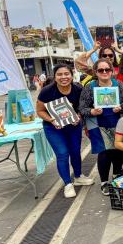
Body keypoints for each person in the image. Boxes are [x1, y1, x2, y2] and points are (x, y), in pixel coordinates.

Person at [36, 64, 92, 198]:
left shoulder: (78, 88)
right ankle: (67, 184)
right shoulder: (47, 91)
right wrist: (52, 120)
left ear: (72, 75)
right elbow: (40, 111)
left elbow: (82, 108)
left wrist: (78, 116)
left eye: (66, 74)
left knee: (75, 151)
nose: (63, 77)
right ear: (54, 77)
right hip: (54, 127)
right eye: (59, 74)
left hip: (73, 126)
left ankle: (78, 177)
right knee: (62, 154)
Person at [78, 58, 123, 195]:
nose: (104, 72)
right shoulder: (90, 87)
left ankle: (117, 175)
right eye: (101, 70)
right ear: (96, 72)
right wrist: (92, 111)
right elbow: (82, 108)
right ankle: (105, 182)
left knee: (118, 150)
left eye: (107, 69)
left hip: (117, 122)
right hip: (98, 125)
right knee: (104, 152)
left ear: (112, 71)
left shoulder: (119, 85)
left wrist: (121, 107)